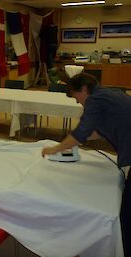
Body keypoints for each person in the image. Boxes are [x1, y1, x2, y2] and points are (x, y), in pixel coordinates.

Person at [42, 72, 131, 257]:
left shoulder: (94, 100)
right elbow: (101, 126)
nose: (77, 102)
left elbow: (81, 132)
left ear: (84, 89)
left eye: (76, 97)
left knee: (126, 214)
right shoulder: (110, 93)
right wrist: (81, 137)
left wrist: (55, 149)